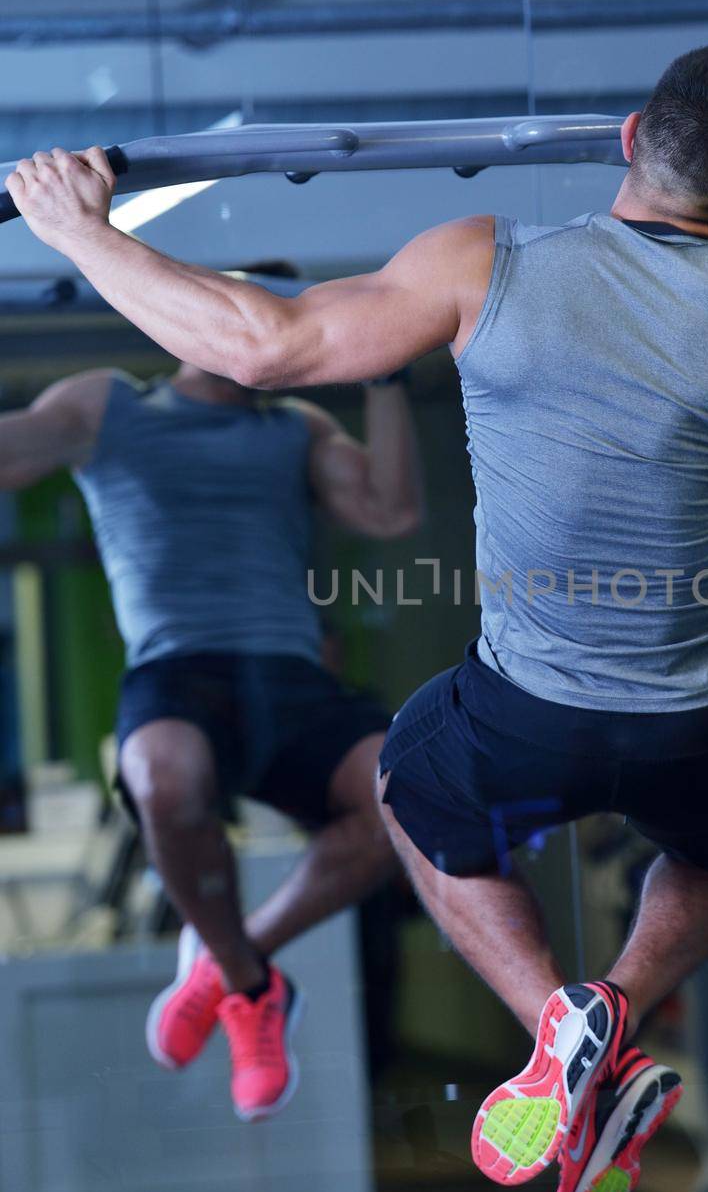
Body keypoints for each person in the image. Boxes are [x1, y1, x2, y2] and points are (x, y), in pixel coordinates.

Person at [6, 39, 708, 1192]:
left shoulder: (489, 263)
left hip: (530, 712)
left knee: (414, 796)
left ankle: (562, 1024)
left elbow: (263, 344)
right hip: (699, 712)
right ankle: (615, 1009)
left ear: (630, 136)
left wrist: (78, 232)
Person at [0, 347, 423, 1120]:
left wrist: (385, 374)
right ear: (198, 324)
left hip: (289, 671)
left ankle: (233, 962)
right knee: (163, 777)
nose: (273, 340)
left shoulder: (297, 424)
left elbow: (389, 514)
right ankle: (250, 983)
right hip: (177, 667)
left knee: (408, 798)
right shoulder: (109, 404)